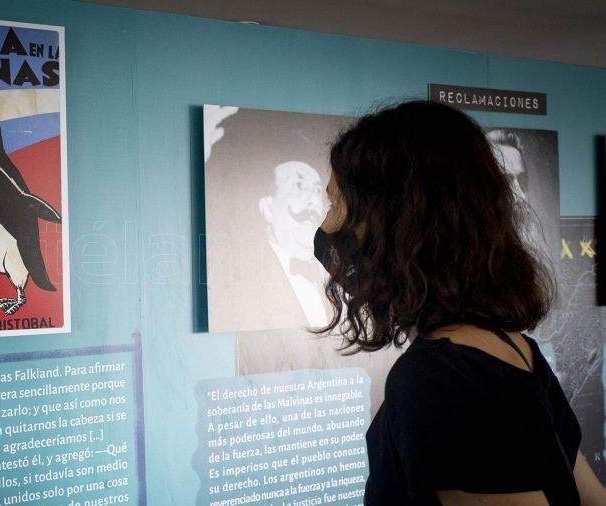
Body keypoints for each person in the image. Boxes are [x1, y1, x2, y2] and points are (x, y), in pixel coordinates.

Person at [312, 100, 606, 505]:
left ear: (392, 222)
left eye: (334, 203)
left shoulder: (436, 378)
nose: (327, 227)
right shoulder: (514, 348)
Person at [258, 160, 331, 327]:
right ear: (268, 209)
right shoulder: (246, 282)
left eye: (318, 190)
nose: (314, 199)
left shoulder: (339, 268)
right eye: (298, 186)